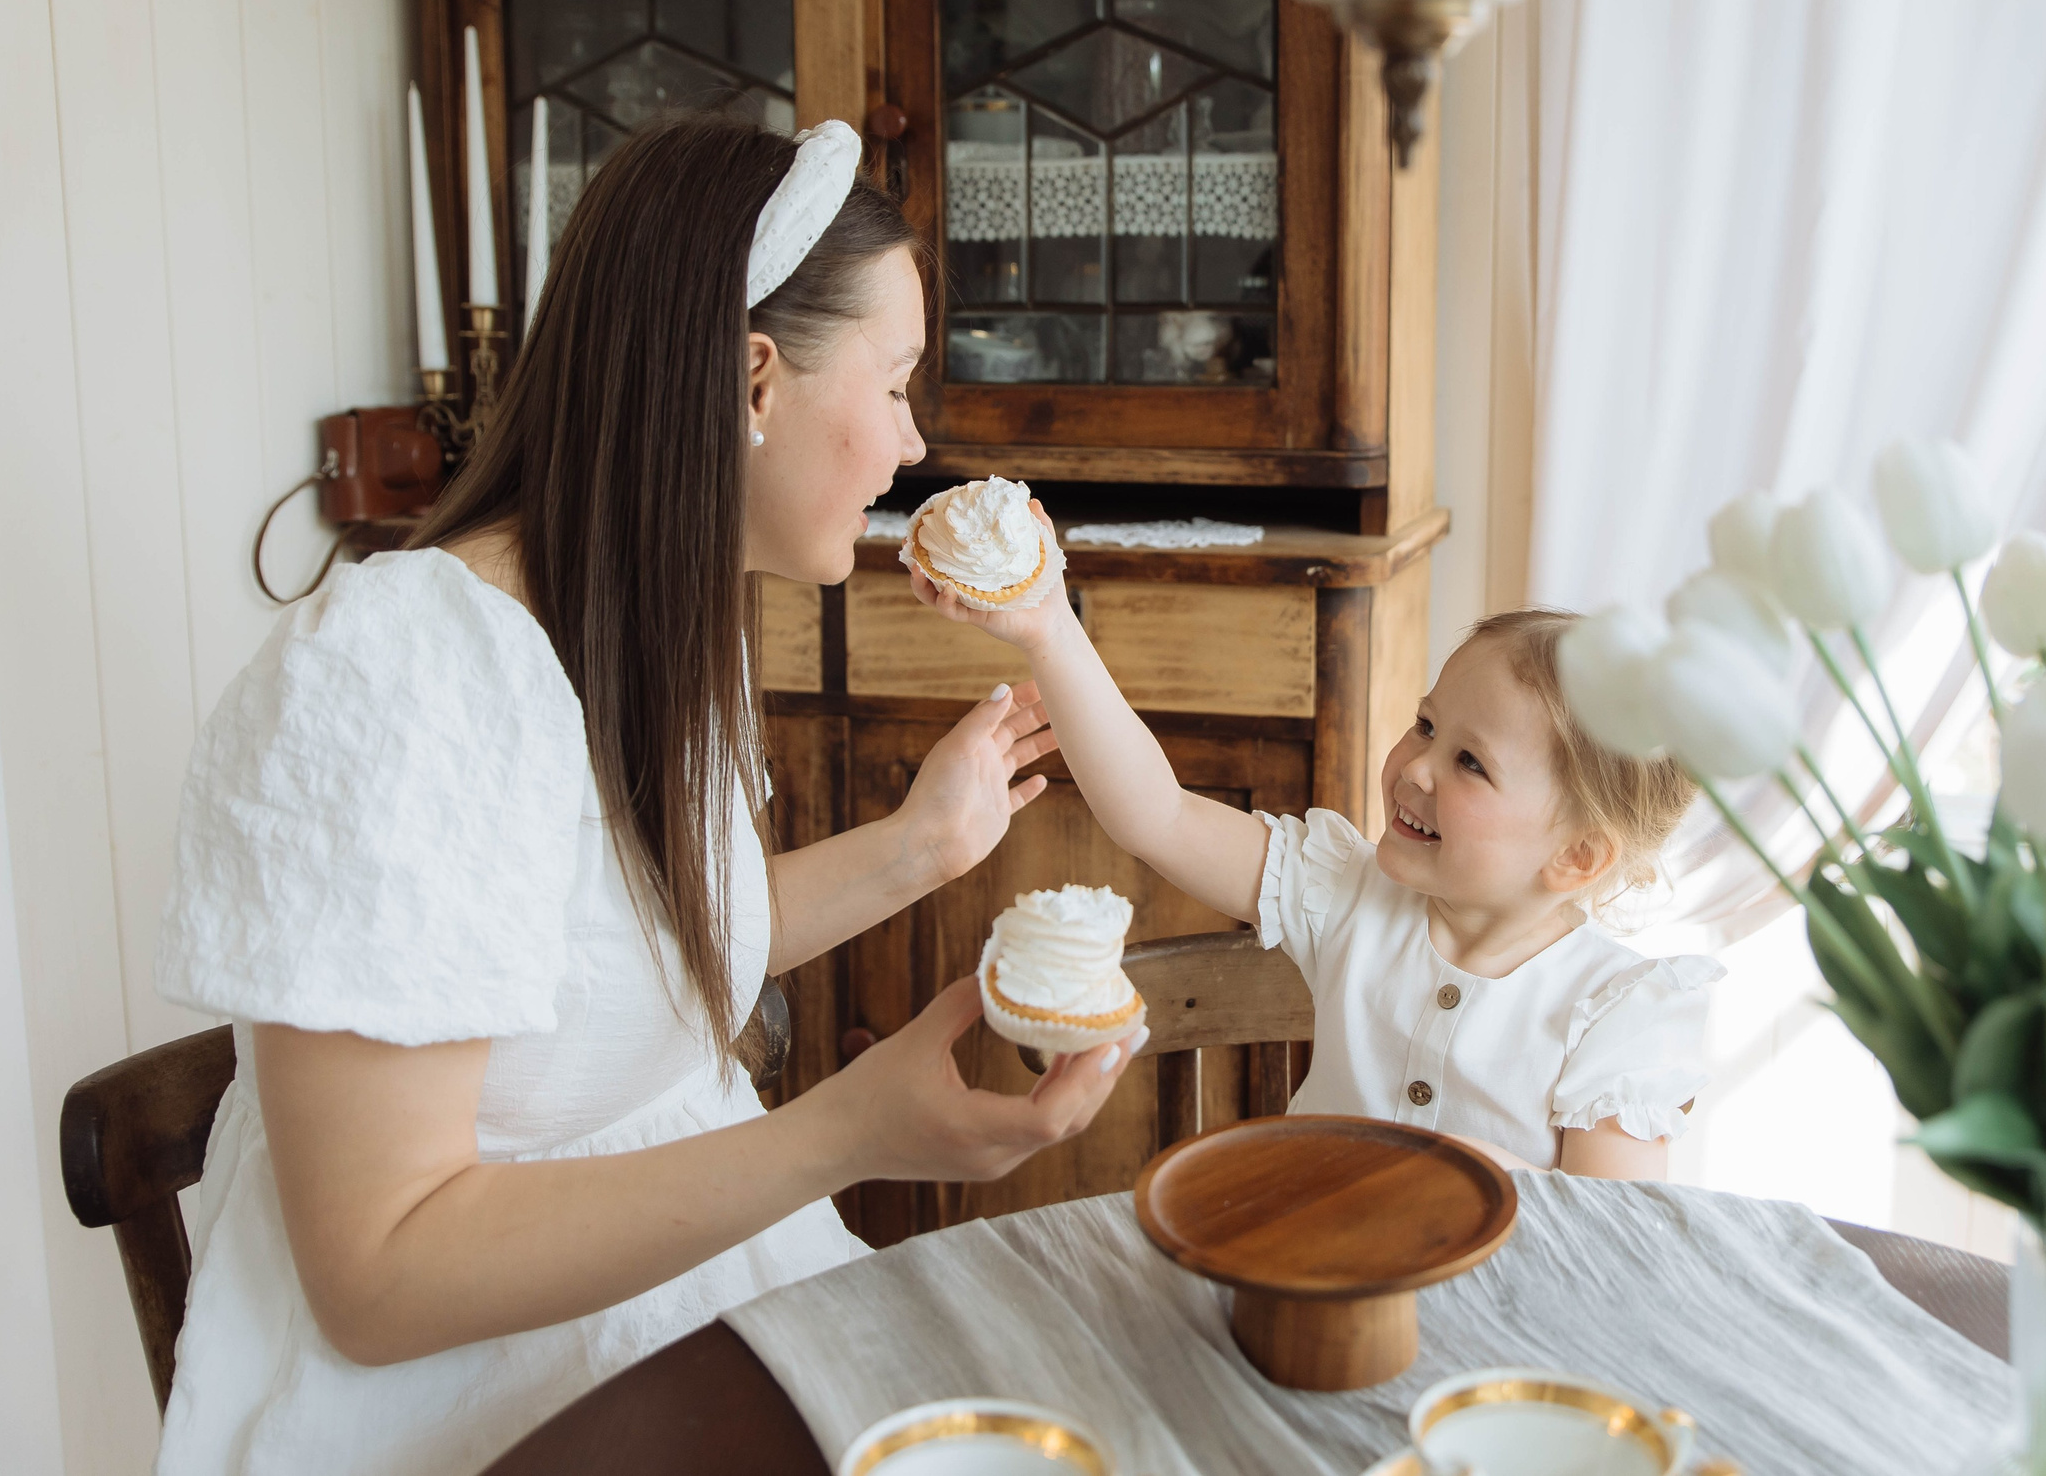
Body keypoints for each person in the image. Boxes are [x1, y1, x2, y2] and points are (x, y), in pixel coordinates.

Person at [150, 113, 1143, 1476]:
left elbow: (631, 948)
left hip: (680, 1303)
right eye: (897, 381)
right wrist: (848, 1130)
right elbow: (377, 1276)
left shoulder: (655, 624)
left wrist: (923, 843)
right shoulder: (400, 678)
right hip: (459, 1399)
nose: (914, 444)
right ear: (752, 379)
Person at [922, 567, 1722, 1178]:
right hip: (1295, 1279)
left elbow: (1600, 1242)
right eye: (1426, 724)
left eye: (1470, 762)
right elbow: (1156, 815)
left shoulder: (1618, 1015)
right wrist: (1051, 631)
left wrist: (1471, 1173)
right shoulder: (1345, 891)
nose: (1416, 768)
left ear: (1576, 856)